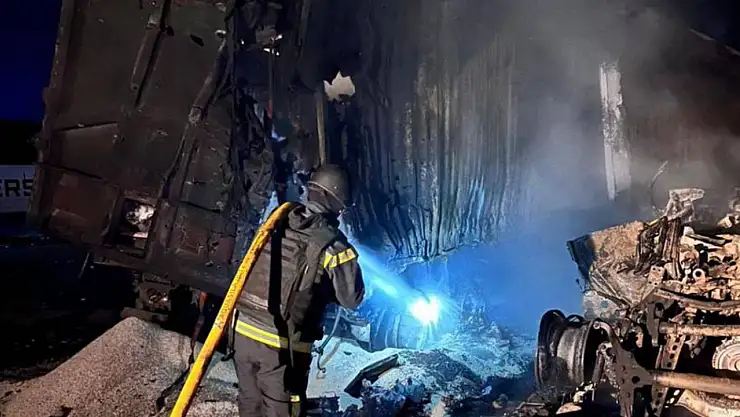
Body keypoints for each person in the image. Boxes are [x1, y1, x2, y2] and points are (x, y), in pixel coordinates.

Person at [233, 164, 365, 417]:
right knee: (283, 410)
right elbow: (352, 299)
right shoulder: (333, 244)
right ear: (336, 202)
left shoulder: (279, 219)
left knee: (250, 403)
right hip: (280, 343)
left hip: (242, 329)